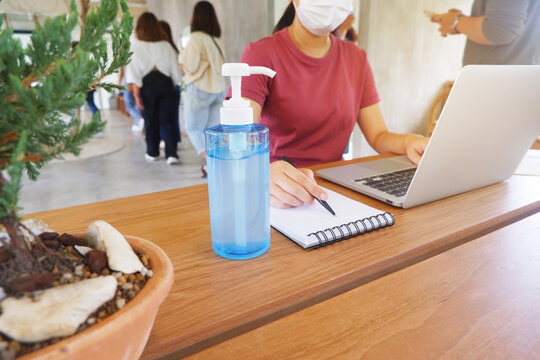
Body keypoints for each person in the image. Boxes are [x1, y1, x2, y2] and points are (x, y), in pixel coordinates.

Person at [236, 0, 428, 209]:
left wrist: (410, 141)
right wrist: (260, 174)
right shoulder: (260, 54)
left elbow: (378, 135)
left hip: (335, 188)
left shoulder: (356, 58)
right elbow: (239, 139)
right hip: (279, 188)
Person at [126, 12, 182, 165]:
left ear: (140, 28)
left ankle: (153, 152)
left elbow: (134, 74)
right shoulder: (166, 45)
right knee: (168, 120)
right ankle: (172, 155)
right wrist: (177, 85)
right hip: (166, 83)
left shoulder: (136, 46)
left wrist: (137, 95)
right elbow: (175, 71)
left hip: (147, 85)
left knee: (150, 120)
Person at [181, 1, 227, 177]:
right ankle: (213, 165)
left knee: (193, 128)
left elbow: (191, 66)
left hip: (201, 88)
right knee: (212, 131)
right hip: (219, 89)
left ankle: (214, 164)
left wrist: (184, 65)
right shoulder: (217, 40)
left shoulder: (196, 38)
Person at [431, 0, 540, 65]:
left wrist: (455, 21)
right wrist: (458, 22)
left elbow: (498, 29)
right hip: (511, 79)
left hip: (497, 84)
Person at [159, 20, 182, 144]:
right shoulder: (174, 48)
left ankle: (164, 139)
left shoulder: (164, 48)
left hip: (168, 86)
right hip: (175, 86)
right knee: (173, 115)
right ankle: (174, 138)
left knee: (165, 116)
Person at [118, 66, 144, 132]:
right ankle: (137, 124)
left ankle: (140, 118)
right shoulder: (135, 57)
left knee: (128, 106)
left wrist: (118, 85)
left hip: (127, 82)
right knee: (137, 103)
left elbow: (121, 73)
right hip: (138, 81)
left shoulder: (123, 59)